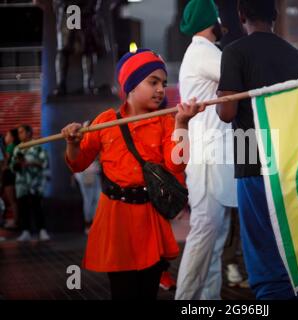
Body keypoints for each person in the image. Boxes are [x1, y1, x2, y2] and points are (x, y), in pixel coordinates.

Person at [62, 49, 203, 300]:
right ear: (131, 86)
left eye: (163, 83)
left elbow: (177, 165)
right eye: (153, 82)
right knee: (123, 292)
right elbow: (78, 164)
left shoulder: (165, 122)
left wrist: (182, 124)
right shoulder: (105, 121)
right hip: (116, 219)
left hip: (150, 219)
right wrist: (73, 143)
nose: (161, 89)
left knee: (147, 291)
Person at [216, 0, 298, 299]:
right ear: (275, 15)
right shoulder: (295, 55)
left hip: (252, 156)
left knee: (262, 249)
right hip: (292, 159)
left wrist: (221, 96)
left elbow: (227, 113)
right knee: (294, 241)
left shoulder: (234, 53)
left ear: (241, 16)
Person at [175, 0, 238, 300]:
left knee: (214, 242)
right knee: (204, 235)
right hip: (209, 160)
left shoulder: (201, 52)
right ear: (210, 20)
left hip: (214, 160)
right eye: (218, 17)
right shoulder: (204, 53)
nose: (222, 22)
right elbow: (239, 75)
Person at [11, 125, 50, 242]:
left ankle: (42, 231)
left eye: (22, 132)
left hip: (35, 183)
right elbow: (12, 167)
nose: (19, 135)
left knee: (37, 207)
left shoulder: (38, 146)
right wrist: (17, 164)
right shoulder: (17, 148)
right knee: (23, 208)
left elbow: (44, 163)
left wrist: (29, 163)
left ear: (29, 133)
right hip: (21, 184)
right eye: (18, 133)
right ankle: (25, 232)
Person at [73, 159, 100, 234]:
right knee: (89, 200)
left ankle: (93, 224)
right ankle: (88, 225)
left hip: (93, 170)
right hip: (86, 171)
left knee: (96, 199)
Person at [1, 129, 20, 229]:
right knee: (13, 200)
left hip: (8, 175)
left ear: (12, 137)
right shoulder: (14, 146)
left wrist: (3, 168)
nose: (5, 137)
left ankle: (16, 222)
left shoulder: (10, 147)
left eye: (7, 135)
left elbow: (5, 162)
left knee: (12, 200)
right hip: (11, 174)